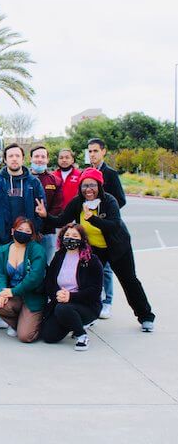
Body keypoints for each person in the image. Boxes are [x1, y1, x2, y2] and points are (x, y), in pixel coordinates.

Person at [35, 168, 156, 331]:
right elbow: (61, 220)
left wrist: (91, 218)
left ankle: (146, 316)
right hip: (95, 250)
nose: (88, 189)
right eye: (84, 186)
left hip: (118, 248)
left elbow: (114, 225)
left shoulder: (109, 201)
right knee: (90, 283)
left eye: (92, 185)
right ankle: (90, 314)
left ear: (99, 186)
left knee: (129, 281)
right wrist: (45, 216)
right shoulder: (78, 202)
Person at [41, 223, 103, 351]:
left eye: (75, 236)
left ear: (82, 239)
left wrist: (71, 296)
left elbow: (95, 290)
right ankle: (72, 323)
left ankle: (81, 335)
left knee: (62, 309)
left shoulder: (91, 260)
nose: (70, 238)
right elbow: (50, 281)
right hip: (60, 302)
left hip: (86, 305)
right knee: (49, 336)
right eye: (67, 235)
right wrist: (57, 294)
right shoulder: (59, 256)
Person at [87, 137, 127, 319]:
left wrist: (104, 211)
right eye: (90, 151)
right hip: (90, 227)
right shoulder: (88, 172)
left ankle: (107, 302)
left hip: (107, 228)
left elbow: (120, 199)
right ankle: (95, 299)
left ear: (103, 151)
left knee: (106, 268)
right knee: (93, 266)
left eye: (95, 151)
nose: (92, 154)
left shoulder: (110, 173)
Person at [0, 217, 47, 342]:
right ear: (12, 231)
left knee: (25, 336)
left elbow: (35, 277)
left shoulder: (37, 250)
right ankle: (19, 323)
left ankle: (36, 321)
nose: (23, 233)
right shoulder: (4, 249)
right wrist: (2, 291)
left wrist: (13, 292)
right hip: (13, 296)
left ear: (32, 234)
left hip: (32, 295)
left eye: (28, 231)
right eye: (20, 229)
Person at [0, 143, 46, 250]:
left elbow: (42, 209)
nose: (14, 159)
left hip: (27, 238)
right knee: (0, 267)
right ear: (5, 160)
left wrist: (35, 227)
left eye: (17, 156)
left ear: (23, 159)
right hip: (2, 239)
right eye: (11, 156)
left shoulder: (34, 182)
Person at [29, 145, 64, 264]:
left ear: (47, 160)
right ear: (30, 159)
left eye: (43, 157)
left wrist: (43, 224)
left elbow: (57, 207)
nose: (39, 159)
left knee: (45, 266)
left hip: (47, 233)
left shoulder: (55, 181)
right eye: (36, 156)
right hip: (26, 231)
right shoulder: (22, 179)